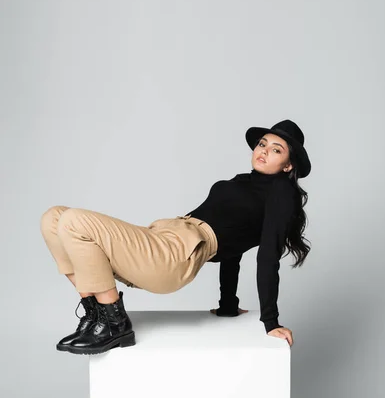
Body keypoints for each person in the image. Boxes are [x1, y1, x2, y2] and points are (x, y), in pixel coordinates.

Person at [40, 119, 311, 355]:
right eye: (262, 144)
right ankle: (96, 315)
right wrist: (228, 305)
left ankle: (114, 324)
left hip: (174, 255)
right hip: (164, 236)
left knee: (75, 221)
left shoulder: (281, 194)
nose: (264, 151)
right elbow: (235, 245)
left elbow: (267, 257)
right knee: (53, 218)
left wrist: (271, 322)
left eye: (276, 150)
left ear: (288, 165)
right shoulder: (245, 182)